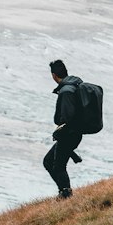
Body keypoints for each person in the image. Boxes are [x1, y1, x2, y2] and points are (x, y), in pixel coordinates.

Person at [43, 59, 84, 199]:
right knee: (49, 161)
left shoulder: (66, 91)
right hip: (74, 133)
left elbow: (67, 117)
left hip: (69, 134)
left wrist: (60, 130)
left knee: (58, 166)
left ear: (54, 75)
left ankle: (66, 194)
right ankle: (64, 192)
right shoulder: (74, 85)